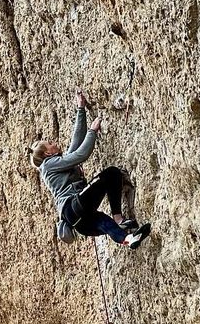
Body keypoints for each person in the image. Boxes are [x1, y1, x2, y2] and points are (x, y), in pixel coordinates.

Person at [30, 91, 152, 249]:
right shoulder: (48, 165)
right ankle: (118, 219)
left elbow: (77, 141)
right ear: (48, 153)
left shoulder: (56, 164)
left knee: (102, 221)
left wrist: (81, 109)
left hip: (79, 222)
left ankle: (127, 238)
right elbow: (81, 154)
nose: (53, 143)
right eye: (50, 143)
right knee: (111, 174)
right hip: (72, 206)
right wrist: (93, 131)